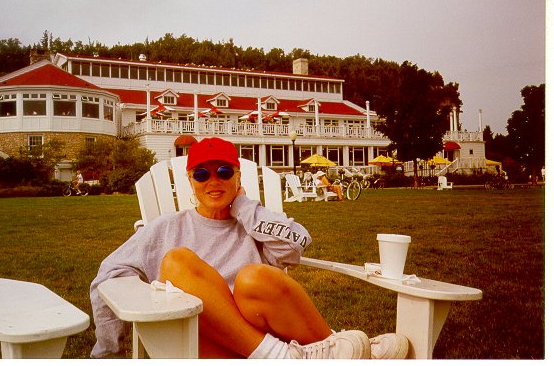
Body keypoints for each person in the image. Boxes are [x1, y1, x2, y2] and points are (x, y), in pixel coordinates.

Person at [89, 137, 408, 359]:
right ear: (190, 181)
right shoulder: (166, 228)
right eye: (202, 174)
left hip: (267, 335)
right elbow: (108, 275)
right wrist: (107, 352)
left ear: (238, 177)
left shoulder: (253, 223)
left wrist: (243, 207)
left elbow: (295, 246)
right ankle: (342, 353)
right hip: (202, 345)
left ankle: (335, 351)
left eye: (223, 172)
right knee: (177, 263)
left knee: (255, 277)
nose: (213, 180)